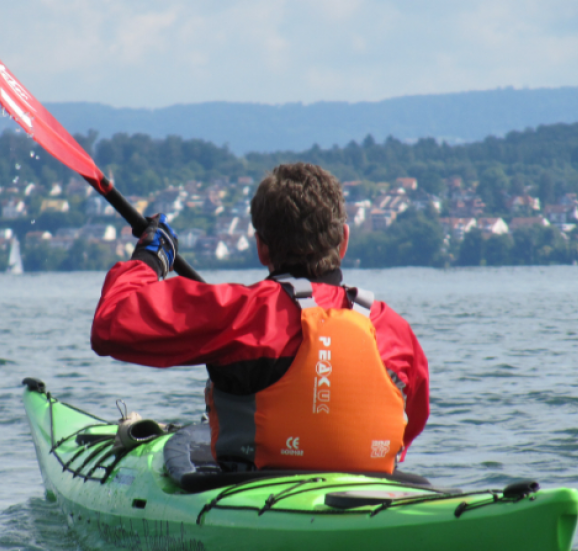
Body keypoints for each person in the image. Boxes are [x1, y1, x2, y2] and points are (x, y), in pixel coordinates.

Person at [91, 163, 429, 474]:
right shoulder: (394, 330)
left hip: (253, 490)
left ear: (261, 248)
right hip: (374, 489)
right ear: (344, 241)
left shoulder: (244, 313)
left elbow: (111, 323)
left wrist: (151, 256)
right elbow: (408, 427)